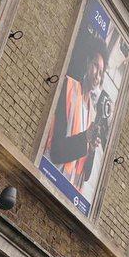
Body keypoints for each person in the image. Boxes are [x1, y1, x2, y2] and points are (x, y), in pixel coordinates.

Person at [45, 32, 108, 189]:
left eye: (101, 73)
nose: (97, 77)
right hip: (47, 177)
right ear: (87, 62)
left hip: (66, 193)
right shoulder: (68, 87)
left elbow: (84, 175)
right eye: (95, 66)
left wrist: (92, 149)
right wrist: (85, 137)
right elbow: (56, 150)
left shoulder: (92, 112)